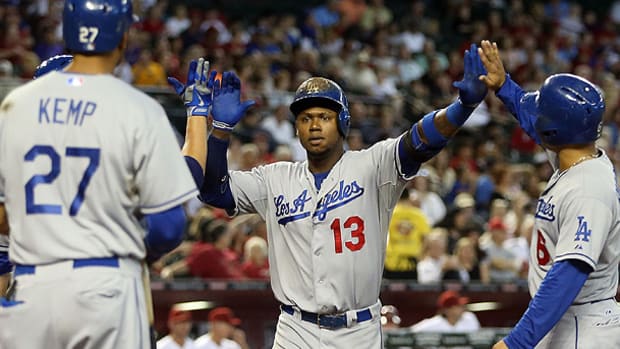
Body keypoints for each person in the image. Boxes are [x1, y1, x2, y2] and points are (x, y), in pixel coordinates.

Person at [182, 42, 488, 348]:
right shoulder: (274, 177)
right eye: (305, 118)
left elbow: (420, 140)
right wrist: (220, 131)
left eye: (324, 117)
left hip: (357, 329)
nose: (314, 125)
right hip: (295, 329)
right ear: (297, 129)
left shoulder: (372, 165)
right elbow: (215, 192)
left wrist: (462, 108)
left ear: (342, 122)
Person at [0, 0, 199, 348]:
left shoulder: (16, 107)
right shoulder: (134, 108)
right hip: (103, 284)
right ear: (121, 38)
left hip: (31, 286)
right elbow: (168, 228)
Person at [477, 39, 620, 349]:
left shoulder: (588, 190)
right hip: (565, 319)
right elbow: (535, 121)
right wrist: (504, 86)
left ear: (554, 131)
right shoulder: (577, 154)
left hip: (583, 327)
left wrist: (517, 342)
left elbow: (570, 272)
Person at [410, 290, 480, 333]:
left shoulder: (470, 318)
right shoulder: (433, 323)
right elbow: (410, 334)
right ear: (447, 310)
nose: (462, 308)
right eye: (457, 306)